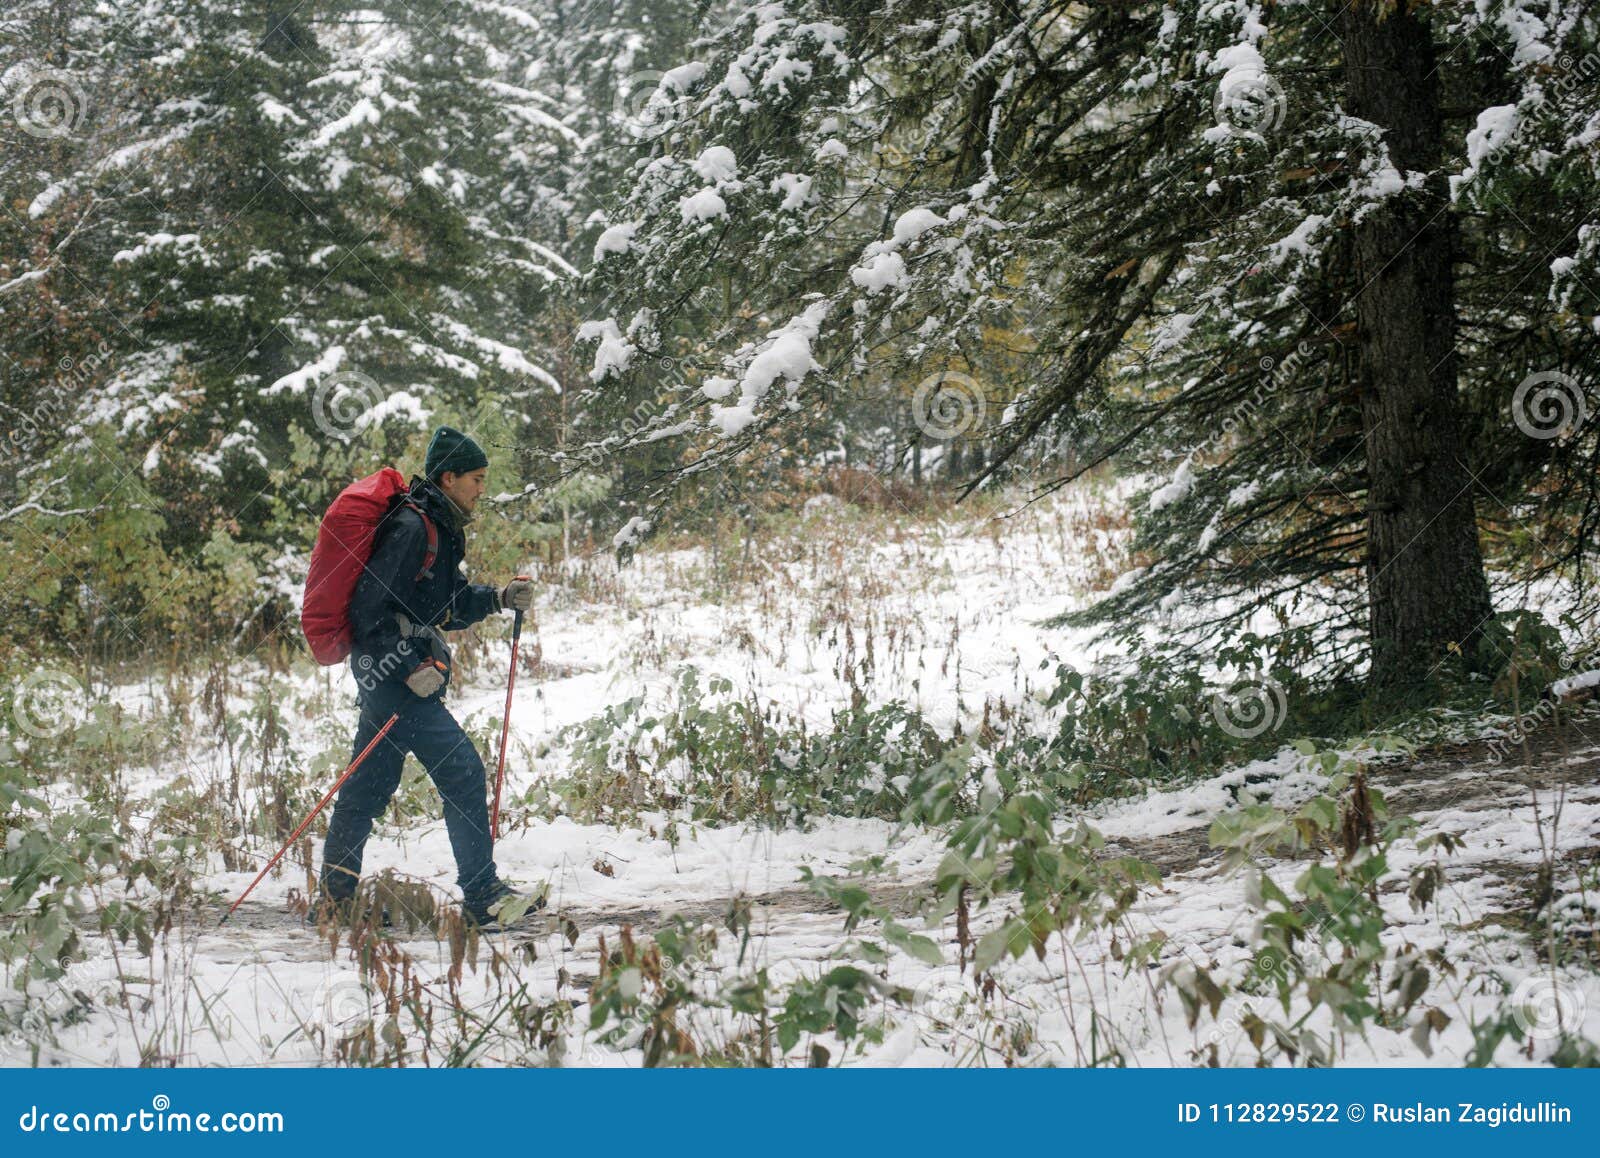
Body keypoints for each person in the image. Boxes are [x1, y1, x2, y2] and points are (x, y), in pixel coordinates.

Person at [312, 426, 536, 927]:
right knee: (461, 769)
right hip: (393, 677)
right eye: (476, 479)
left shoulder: (437, 524)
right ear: (449, 476)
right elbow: (367, 608)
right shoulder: (413, 528)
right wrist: (409, 666)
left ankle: (332, 900)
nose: (482, 488)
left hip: (388, 676)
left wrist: (498, 598)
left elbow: (443, 603)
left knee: (368, 786)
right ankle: (482, 897)